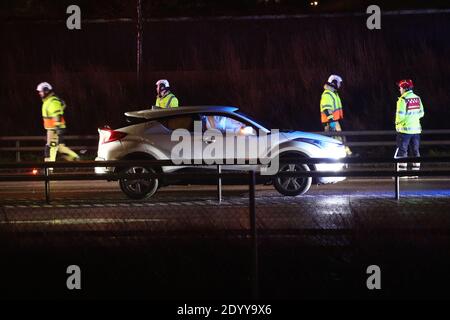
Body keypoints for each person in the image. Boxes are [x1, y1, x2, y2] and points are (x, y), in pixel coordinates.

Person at [37, 82, 80, 164]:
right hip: (52, 129)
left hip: (54, 129)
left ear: (46, 91)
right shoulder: (49, 101)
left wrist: (58, 128)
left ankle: (48, 169)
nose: (39, 93)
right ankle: (75, 159)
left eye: (41, 91)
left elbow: (57, 115)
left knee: (50, 148)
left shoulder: (52, 101)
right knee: (59, 147)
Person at [394, 79, 425, 178]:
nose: (399, 89)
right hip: (416, 130)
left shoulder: (402, 100)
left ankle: (402, 174)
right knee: (415, 151)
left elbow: (400, 116)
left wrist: (398, 124)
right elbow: (421, 113)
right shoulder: (417, 98)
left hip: (404, 130)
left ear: (404, 88)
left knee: (402, 151)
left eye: (400, 87)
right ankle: (415, 173)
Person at [320, 74, 352, 156]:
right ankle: (341, 156)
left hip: (334, 121)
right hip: (330, 122)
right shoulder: (327, 94)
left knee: (340, 138)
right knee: (333, 140)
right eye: (338, 83)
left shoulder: (333, 93)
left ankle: (347, 154)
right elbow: (326, 109)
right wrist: (331, 122)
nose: (339, 85)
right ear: (334, 83)